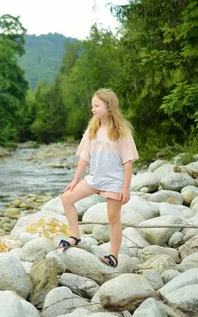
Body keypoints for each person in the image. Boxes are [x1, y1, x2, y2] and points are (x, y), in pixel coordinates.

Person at [57, 88, 139, 268]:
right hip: (94, 178)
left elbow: (128, 162)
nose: (93, 109)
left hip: (114, 181)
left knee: (113, 218)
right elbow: (84, 157)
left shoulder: (121, 131)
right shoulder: (92, 129)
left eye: (96, 105)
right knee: (67, 198)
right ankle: (75, 237)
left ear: (109, 107)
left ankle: (114, 256)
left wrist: (125, 188)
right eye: (92, 106)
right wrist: (75, 180)